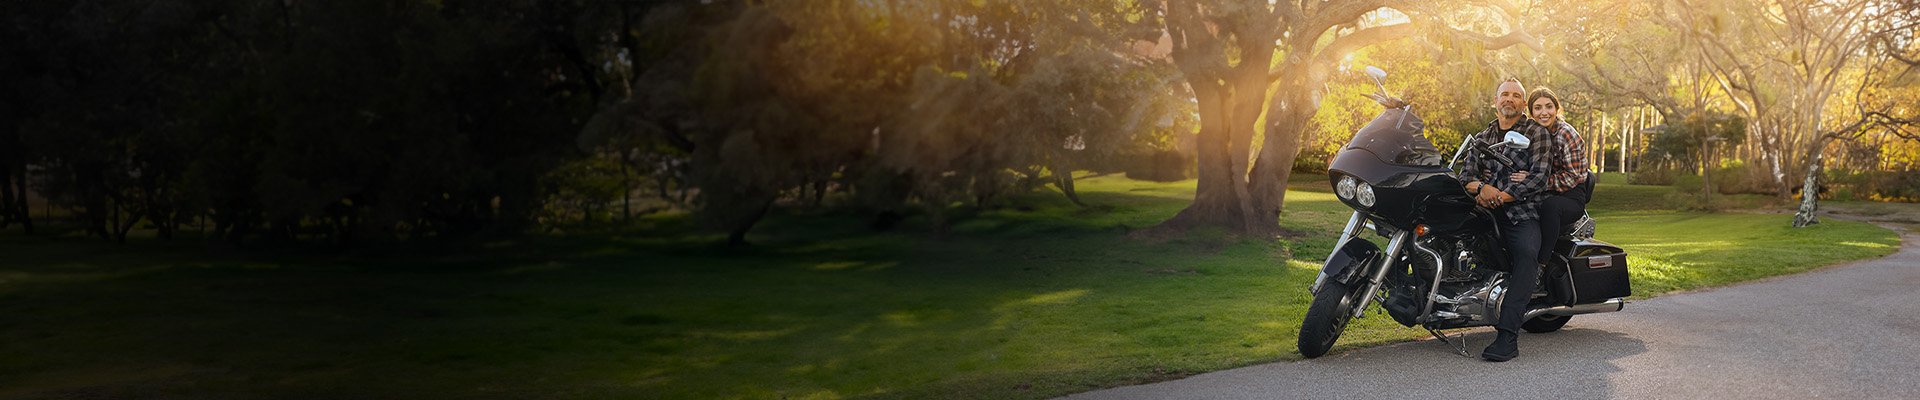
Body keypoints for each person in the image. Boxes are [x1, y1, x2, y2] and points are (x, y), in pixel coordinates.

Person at [1460, 77, 1556, 362]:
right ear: (1496, 101)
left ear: (1522, 104)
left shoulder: (1536, 133)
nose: (1509, 99)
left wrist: (1501, 195)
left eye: (1516, 95)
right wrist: (1480, 188)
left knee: (1527, 254)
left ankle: (1508, 336)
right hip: (1482, 210)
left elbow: (1539, 177)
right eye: (1505, 94)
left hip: (1521, 211)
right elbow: (1466, 176)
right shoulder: (1484, 136)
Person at [1522, 88, 1594, 306]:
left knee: (1550, 207)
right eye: (1538, 107)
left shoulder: (1566, 134)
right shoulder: (1530, 131)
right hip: (1542, 189)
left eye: (1548, 106)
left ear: (1556, 108)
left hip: (1570, 196)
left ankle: (1541, 266)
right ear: (1531, 111)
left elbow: (1574, 177)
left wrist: (1536, 180)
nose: (1544, 112)